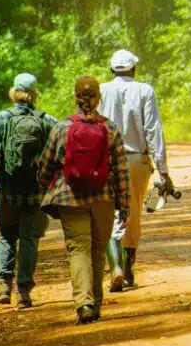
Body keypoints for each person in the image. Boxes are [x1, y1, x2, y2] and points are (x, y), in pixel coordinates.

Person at [38, 76, 130, 325]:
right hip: (103, 198)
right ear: (98, 97)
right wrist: (124, 204)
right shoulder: (110, 128)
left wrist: (44, 186)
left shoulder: (62, 127)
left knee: (78, 249)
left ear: (75, 97)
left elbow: (45, 165)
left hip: (70, 198)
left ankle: (84, 303)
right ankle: (96, 302)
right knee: (98, 250)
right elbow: (121, 170)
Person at [0, 73, 57, 308]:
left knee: (6, 236)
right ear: (35, 93)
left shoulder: (0, 119)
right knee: (29, 239)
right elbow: (54, 157)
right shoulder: (47, 121)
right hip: (35, 192)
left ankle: (4, 286)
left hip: (7, 190)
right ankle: (24, 292)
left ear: (14, 92)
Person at [98, 49, 172, 292]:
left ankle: (115, 267)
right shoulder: (145, 90)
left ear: (112, 70)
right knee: (133, 215)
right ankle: (128, 273)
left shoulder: (101, 90)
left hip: (107, 161)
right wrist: (163, 171)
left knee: (110, 214)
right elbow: (153, 130)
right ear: (133, 69)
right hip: (136, 160)